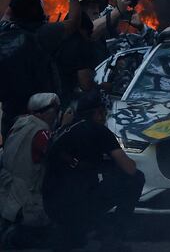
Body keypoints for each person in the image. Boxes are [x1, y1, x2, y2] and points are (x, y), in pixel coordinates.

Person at [43, 92, 143, 252]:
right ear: (97, 113)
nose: (105, 117)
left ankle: (77, 231)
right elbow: (129, 169)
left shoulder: (64, 130)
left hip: (51, 206)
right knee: (136, 178)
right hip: (77, 206)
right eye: (104, 112)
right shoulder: (99, 131)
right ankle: (115, 237)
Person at [0, 0, 80, 138]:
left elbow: (10, 10)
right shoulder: (42, 34)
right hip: (38, 115)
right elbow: (74, 22)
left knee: (12, 153)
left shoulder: (4, 29)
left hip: (10, 112)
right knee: (38, 158)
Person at [0, 93, 59, 248]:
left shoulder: (17, 125)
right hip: (28, 202)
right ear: (49, 112)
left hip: (8, 196)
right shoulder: (42, 133)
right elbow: (56, 158)